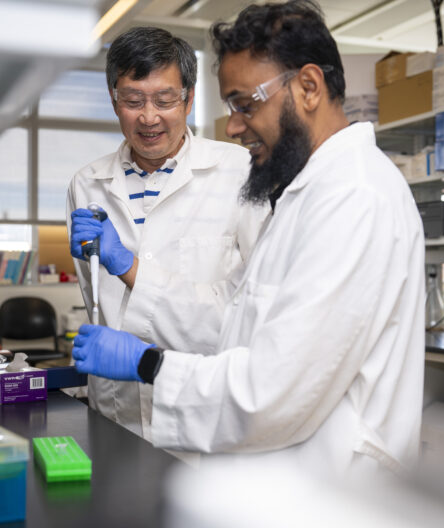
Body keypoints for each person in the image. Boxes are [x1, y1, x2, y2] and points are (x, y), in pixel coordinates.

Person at [72, 0, 425, 479]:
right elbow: (236, 322)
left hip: (332, 486)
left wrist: (149, 363)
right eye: (133, 101)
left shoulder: (354, 198)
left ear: (308, 87)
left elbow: (274, 392)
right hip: (270, 469)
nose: (234, 126)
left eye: (245, 104)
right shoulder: (305, 193)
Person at [66, 27, 268, 440]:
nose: (149, 117)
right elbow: (96, 300)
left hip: (204, 414)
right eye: (133, 100)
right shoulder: (86, 184)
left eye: (164, 99)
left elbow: (249, 314)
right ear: (113, 99)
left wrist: (129, 267)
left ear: (189, 99)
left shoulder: (240, 172)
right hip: (115, 411)